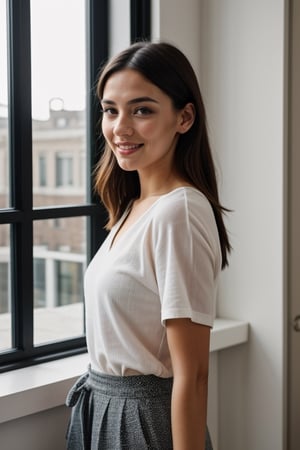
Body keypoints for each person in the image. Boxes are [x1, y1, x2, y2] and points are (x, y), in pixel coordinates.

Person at [65, 41, 231, 450]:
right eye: (110, 110)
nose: (120, 128)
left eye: (142, 110)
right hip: (101, 409)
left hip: (144, 424)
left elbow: (193, 375)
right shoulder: (132, 207)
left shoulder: (180, 211)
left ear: (184, 117)